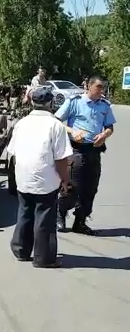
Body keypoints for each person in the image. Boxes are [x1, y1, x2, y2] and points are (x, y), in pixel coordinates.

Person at [6, 87, 72, 268]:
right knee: (45, 216)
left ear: (32, 102)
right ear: (50, 103)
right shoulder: (55, 125)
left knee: (25, 211)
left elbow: (12, 152)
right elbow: (61, 159)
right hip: (46, 178)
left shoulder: (22, 123)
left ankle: (21, 250)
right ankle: (44, 258)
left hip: (23, 176)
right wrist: (65, 180)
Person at [54, 75, 115, 235]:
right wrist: (72, 131)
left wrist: (105, 135)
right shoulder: (74, 102)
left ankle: (80, 221)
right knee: (72, 186)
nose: (101, 91)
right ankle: (60, 214)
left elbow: (109, 126)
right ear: (89, 86)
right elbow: (56, 121)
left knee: (90, 188)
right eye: (99, 87)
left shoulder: (105, 106)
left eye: (103, 87)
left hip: (94, 151)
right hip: (76, 150)